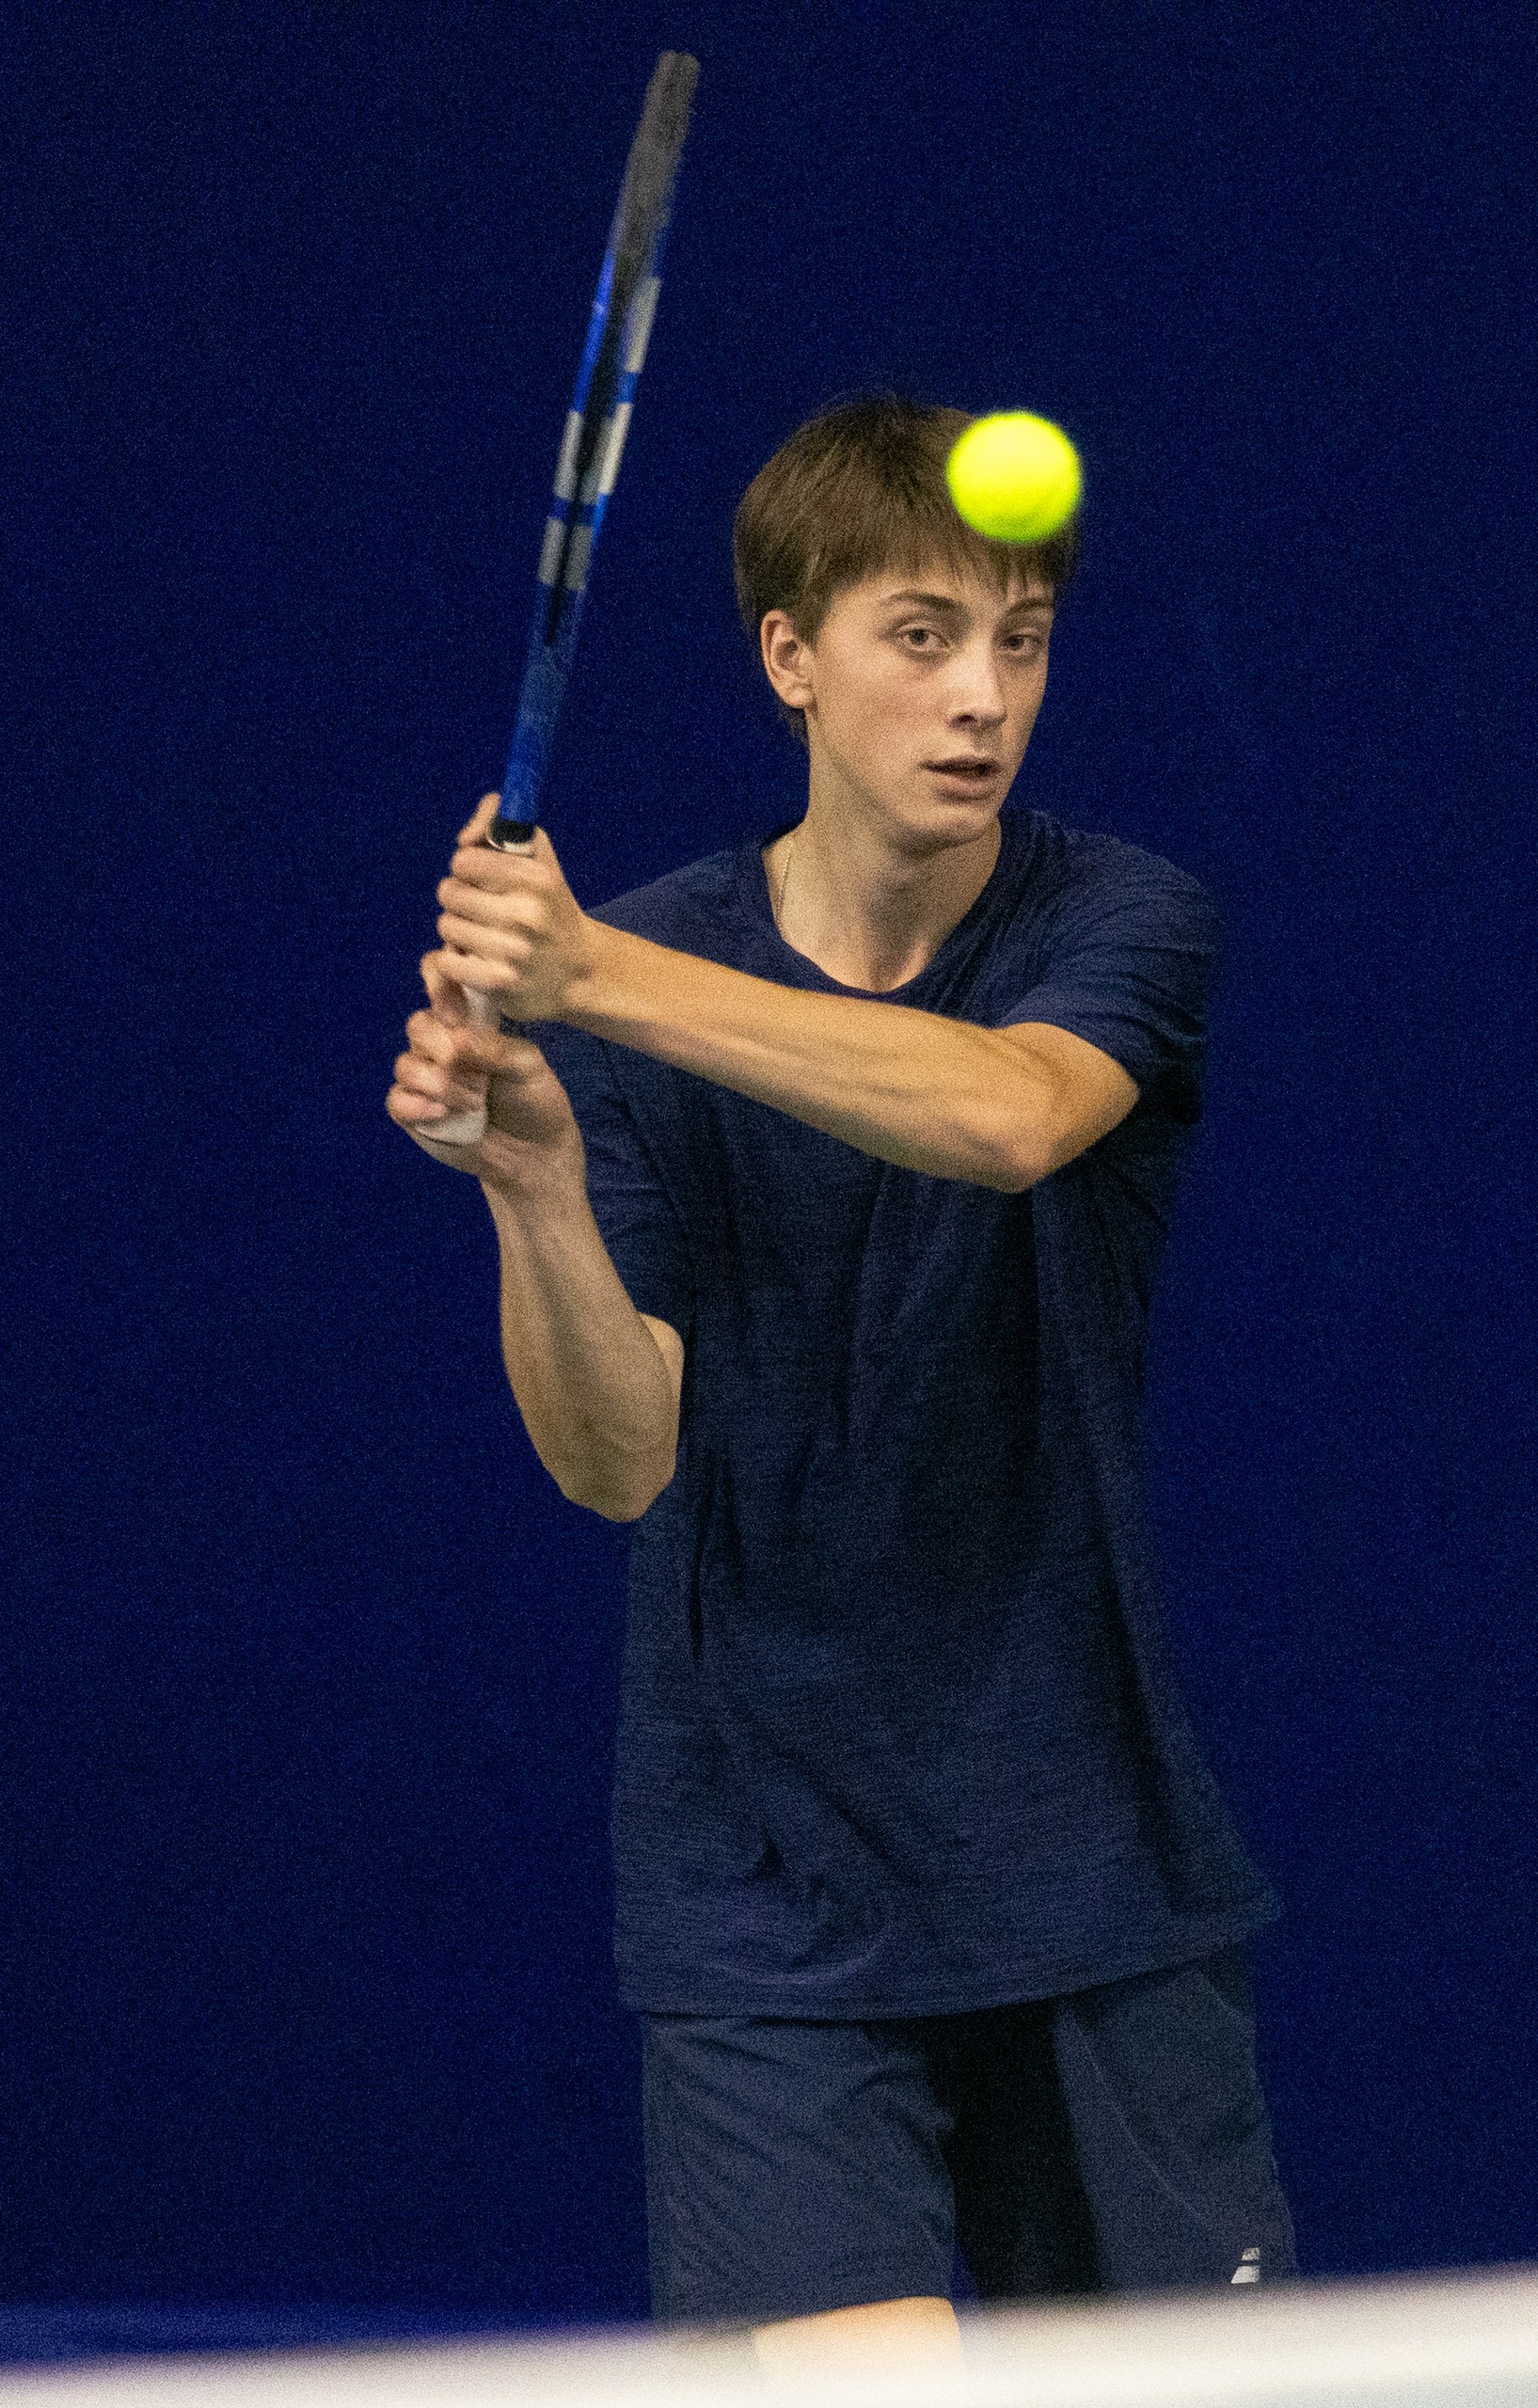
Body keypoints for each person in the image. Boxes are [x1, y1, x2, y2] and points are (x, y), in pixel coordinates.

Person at [386, 396, 1297, 2368]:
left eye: (1020, 640)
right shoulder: (643, 977)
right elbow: (618, 1458)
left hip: (1092, 1871)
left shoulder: (1115, 920)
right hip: (768, 1897)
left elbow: (1007, 1118)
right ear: (790, 655)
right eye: (921, 635)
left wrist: (588, 977)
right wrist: (534, 1182)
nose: (982, 696)